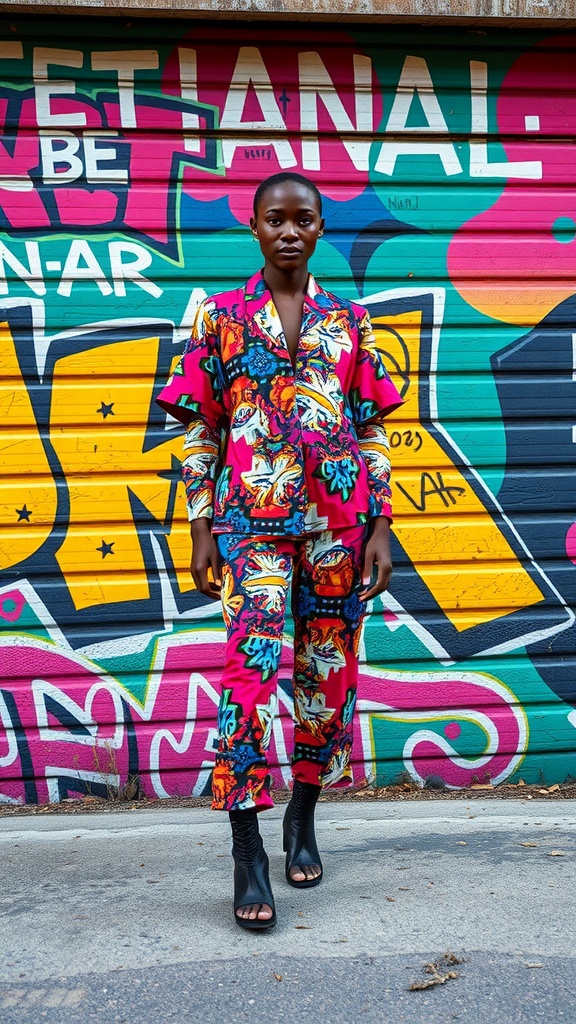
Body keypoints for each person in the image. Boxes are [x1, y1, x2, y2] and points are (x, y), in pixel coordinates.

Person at [156, 171, 404, 930]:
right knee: (250, 682)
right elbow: (199, 429)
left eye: (304, 219)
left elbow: (370, 429)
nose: (289, 231)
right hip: (251, 529)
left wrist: (383, 523)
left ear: (322, 227)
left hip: (338, 529)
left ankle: (302, 815)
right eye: (275, 219)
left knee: (326, 683)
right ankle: (247, 851)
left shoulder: (349, 320)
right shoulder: (221, 320)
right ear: (255, 227)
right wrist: (200, 525)